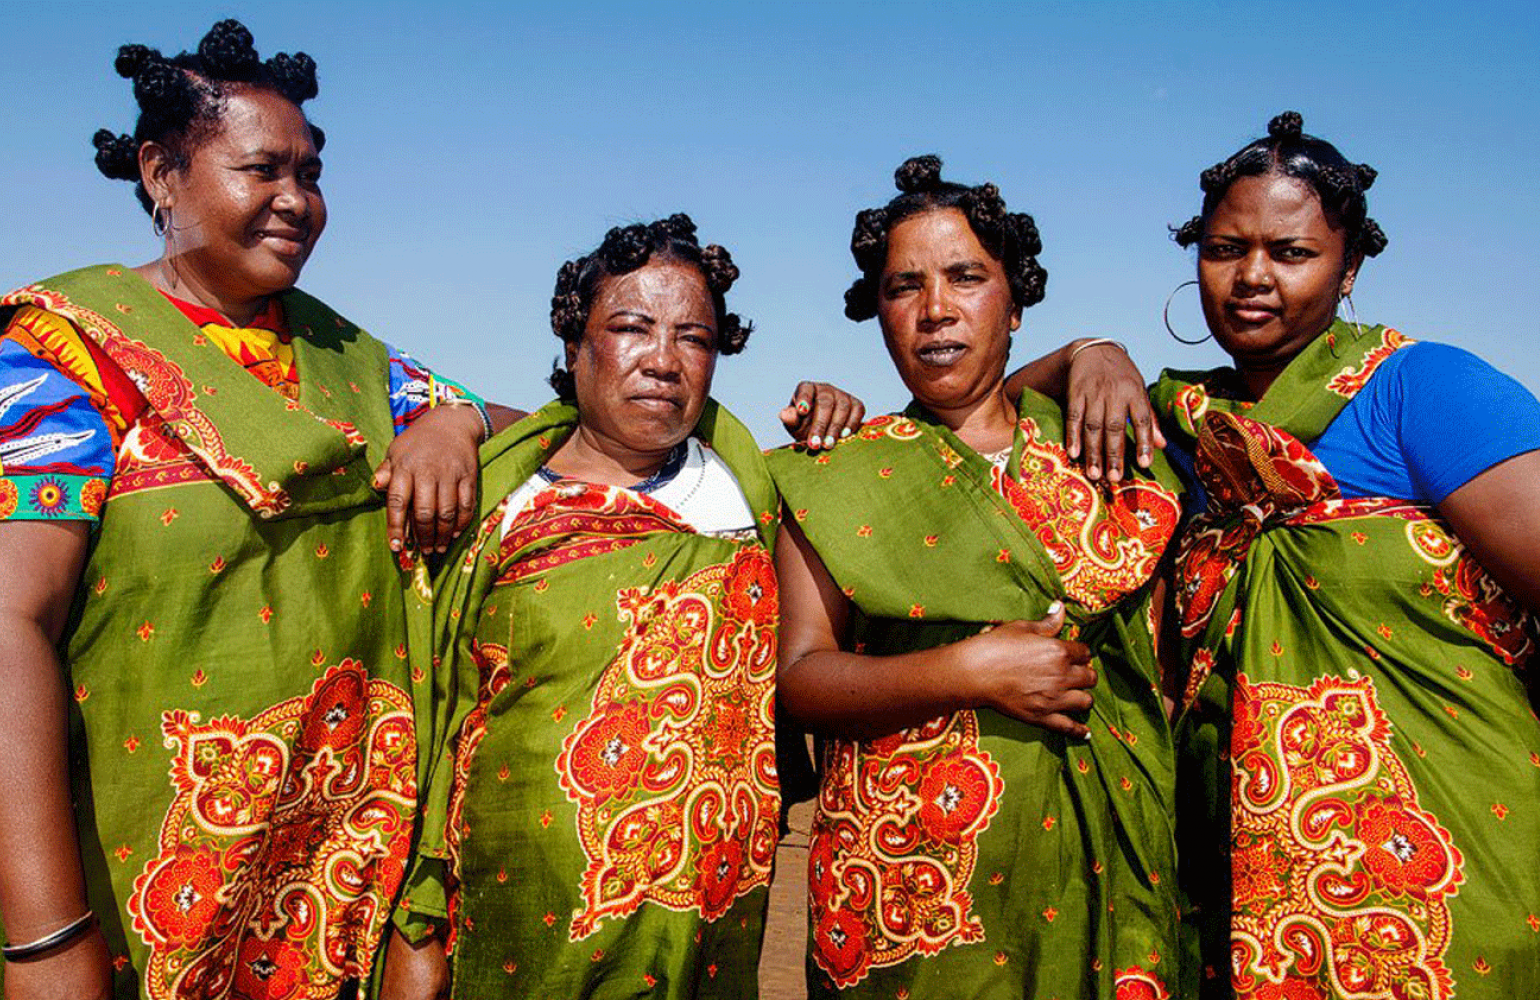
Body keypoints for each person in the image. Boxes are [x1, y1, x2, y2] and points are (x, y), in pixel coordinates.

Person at [0, 21, 503, 1000]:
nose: (298, 199)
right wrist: (46, 941)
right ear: (162, 173)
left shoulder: (357, 364)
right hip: (122, 892)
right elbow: (0, 625)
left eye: (312, 172)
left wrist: (452, 421)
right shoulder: (66, 353)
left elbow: (527, 429)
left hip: (327, 902)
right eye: (263, 170)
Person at [1031, 111, 1540, 999]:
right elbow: (985, 416)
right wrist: (1088, 349)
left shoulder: (1424, 390)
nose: (1252, 278)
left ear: (1350, 269)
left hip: (1449, 854)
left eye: (1291, 253)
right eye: (1225, 249)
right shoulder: (1173, 424)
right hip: (1237, 872)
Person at [405, 214, 862, 1000]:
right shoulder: (497, 497)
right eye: (629, 327)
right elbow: (431, 716)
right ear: (574, 345)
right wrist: (419, 923)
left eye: (694, 338)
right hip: (522, 903)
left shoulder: (744, 485)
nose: (662, 361)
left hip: (715, 918)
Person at [767, 156, 1184, 1000]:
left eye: (967, 277)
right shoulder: (834, 474)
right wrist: (969, 671)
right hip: (909, 885)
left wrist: (1092, 351)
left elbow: (1167, 665)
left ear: (1016, 301)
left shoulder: (1102, 446)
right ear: (876, 311)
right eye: (902, 286)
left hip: (1109, 849)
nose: (935, 310)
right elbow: (801, 679)